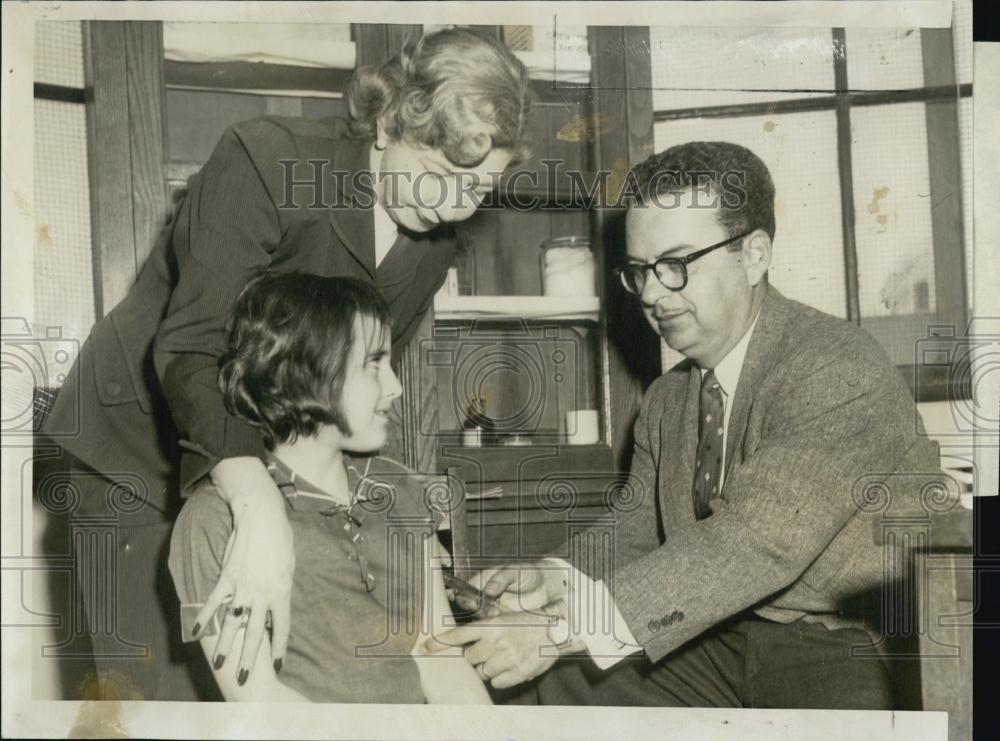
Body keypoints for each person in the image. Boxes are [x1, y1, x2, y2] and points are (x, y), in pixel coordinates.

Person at [42, 27, 532, 699]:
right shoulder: (268, 163)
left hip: (266, 466)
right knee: (158, 698)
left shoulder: (432, 245)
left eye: (479, 189)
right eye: (442, 175)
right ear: (388, 125)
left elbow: (360, 390)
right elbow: (193, 345)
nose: (454, 205)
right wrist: (257, 504)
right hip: (135, 453)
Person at [428, 141, 950, 709]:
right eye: (639, 271)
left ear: (753, 256)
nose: (651, 293)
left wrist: (558, 627)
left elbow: (755, 543)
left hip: (842, 650)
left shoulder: (837, 370)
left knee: (562, 649)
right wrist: (556, 576)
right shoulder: (668, 397)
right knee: (555, 678)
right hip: (720, 636)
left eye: (675, 265)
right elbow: (637, 525)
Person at [168, 272, 490, 703]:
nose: (395, 386)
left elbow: (439, 656)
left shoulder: (402, 491)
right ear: (306, 371)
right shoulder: (214, 522)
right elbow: (262, 704)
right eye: (374, 363)